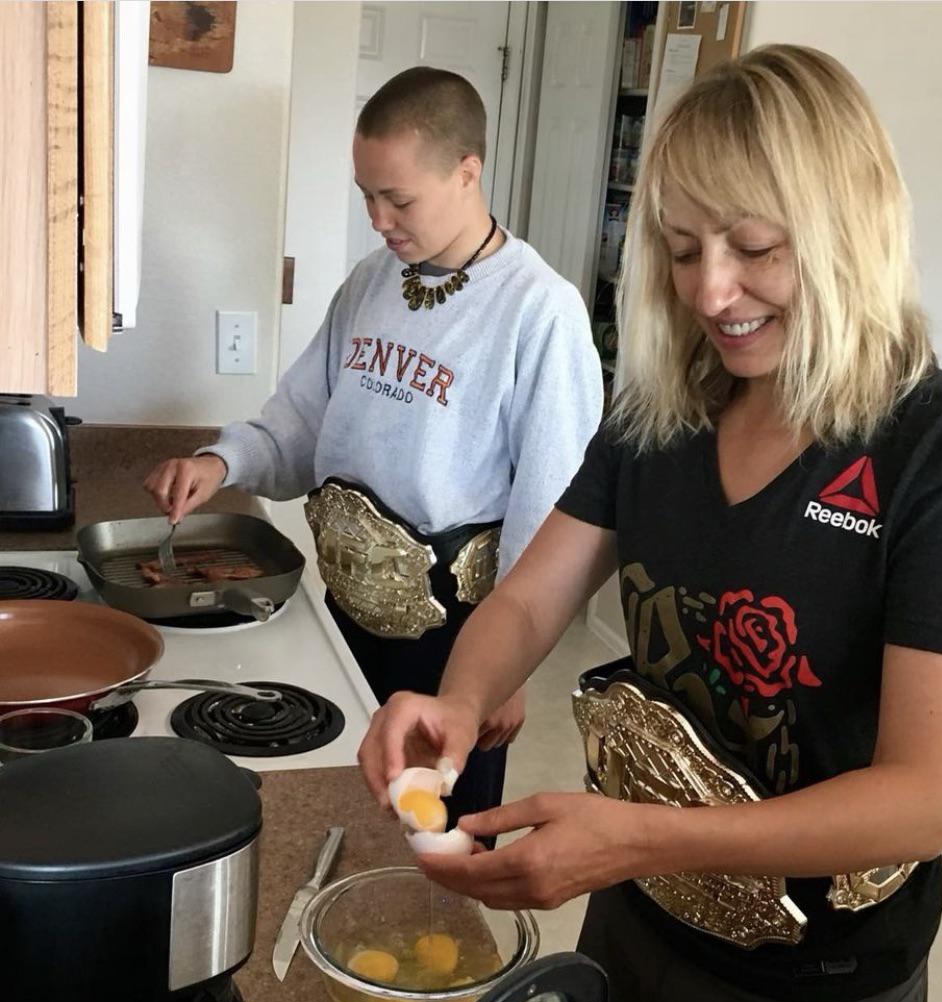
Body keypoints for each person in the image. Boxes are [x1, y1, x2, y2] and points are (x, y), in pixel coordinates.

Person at [357, 45, 942, 1002]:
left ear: (852, 231)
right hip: (637, 913)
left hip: (815, 976)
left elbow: (918, 801)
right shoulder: (661, 414)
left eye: (755, 247)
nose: (711, 293)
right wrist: (458, 700)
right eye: (680, 249)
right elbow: (528, 602)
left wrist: (638, 836)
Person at [145, 67, 604, 832]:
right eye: (366, 195)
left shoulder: (539, 311)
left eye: (398, 199)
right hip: (346, 611)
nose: (378, 219)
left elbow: (552, 505)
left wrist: (505, 666)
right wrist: (220, 463)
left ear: (466, 172)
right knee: (346, 816)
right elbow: (302, 422)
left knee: (435, 841)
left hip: (457, 641)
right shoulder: (371, 281)